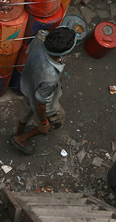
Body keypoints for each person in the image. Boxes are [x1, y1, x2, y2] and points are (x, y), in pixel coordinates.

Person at [10, 26, 76, 154]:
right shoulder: (50, 76)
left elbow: (28, 52)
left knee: (24, 113)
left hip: (28, 86)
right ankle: (21, 138)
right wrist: (43, 122)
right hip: (41, 98)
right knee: (57, 121)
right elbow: (40, 103)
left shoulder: (40, 37)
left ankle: (19, 131)